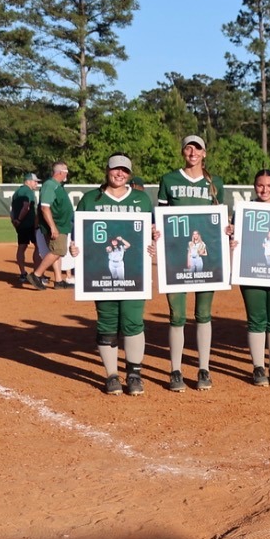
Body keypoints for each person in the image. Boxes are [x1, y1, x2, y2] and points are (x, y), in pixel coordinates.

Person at [70, 154, 153, 396]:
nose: (120, 174)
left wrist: (152, 242)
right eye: (116, 170)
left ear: (129, 173)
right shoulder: (90, 199)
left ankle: (134, 374)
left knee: (133, 321)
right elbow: (79, 233)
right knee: (107, 320)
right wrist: (75, 247)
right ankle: (112, 375)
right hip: (101, 274)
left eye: (124, 171)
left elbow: (150, 232)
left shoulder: (140, 199)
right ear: (107, 170)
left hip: (134, 273)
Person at [157, 135, 227, 392]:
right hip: (176, 257)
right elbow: (160, 217)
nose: (192, 152)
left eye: (197, 148)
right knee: (177, 315)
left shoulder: (215, 183)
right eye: (188, 148)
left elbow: (219, 222)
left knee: (203, 315)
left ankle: (203, 368)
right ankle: (175, 370)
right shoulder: (169, 180)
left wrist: (227, 231)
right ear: (183, 152)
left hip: (206, 259)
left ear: (204, 153)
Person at [235, 170, 270, 387]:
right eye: (260, 185)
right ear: (254, 186)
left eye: (269, 185)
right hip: (252, 271)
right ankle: (258, 366)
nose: (265, 190)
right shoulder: (243, 211)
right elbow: (236, 240)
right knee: (256, 319)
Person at [27, 162, 73, 291]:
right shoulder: (50, 185)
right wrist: (53, 227)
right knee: (58, 251)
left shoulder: (57, 185)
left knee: (55, 252)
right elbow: (45, 207)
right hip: (57, 225)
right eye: (66, 172)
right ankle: (36, 275)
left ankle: (58, 281)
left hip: (61, 225)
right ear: (60, 172)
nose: (67, 174)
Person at [10, 171, 41, 284]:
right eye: (35, 181)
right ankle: (37, 274)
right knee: (38, 247)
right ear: (28, 181)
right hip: (30, 224)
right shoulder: (28, 192)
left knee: (21, 247)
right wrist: (19, 219)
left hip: (20, 225)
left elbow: (12, 209)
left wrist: (14, 221)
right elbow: (26, 207)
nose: (36, 184)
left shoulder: (17, 192)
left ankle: (23, 273)